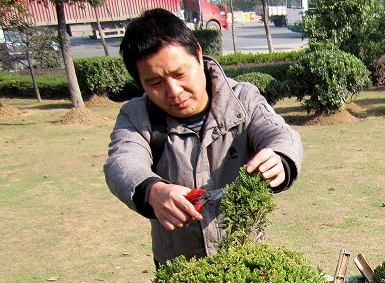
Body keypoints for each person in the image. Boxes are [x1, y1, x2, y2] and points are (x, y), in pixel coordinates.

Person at [104, 8, 303, 266]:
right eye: (155, 83)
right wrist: (152, 190)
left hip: (246, 261)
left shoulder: (244, 99)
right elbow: (121, 162)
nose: (174, 91)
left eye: (179, 74)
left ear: (198, 54)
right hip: (178, 268)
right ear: (140, 82)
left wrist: (280, 158)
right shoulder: (136, 116)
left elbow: (281, 134)